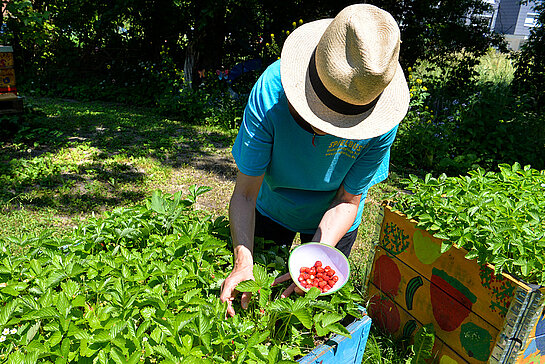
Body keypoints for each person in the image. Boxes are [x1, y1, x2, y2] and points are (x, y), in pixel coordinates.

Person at [220, 4, 410, 317]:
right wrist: (243, 262)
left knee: (311, 313)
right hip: (271, 206)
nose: (327, 129)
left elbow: (348, 199)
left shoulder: (382, 123)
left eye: (344, 122)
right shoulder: (271, 94)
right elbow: (244, 193)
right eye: (322, 113)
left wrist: (316, 257)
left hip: (335, 219)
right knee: (252, 301)